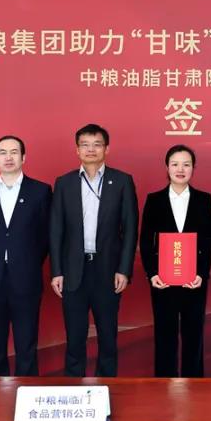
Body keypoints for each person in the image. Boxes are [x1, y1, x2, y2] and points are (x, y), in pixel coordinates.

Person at [50, 124, 138, 377]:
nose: (91, 150)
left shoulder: (121, 181)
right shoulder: (64, 183)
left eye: (97, 144)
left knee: (108, 337)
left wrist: (124, 269)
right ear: (77, 150)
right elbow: (56, 230)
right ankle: (73, 389)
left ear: (106, 149)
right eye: (85, 145)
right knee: (74, 338)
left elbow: (130, 229)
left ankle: (108, 387)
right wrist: (57, 271)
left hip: (108, 270)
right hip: (73, 271)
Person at [0, 135, 52, 377]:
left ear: (23, 157)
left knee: (26, 346)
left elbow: (45, 236)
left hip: (26, 278)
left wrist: (26, 261)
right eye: (3, 152)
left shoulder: (40, 191)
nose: (9, 157)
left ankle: (26, 392)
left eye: (14, 152)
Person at [139, 145, 211, 377]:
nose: (180, 169)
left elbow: (208, 240)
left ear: (193, 168)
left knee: (194, 334)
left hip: (194, 280)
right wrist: (152, 273)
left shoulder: (203, 199)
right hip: (162, 280)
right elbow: (145, 241)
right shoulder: (154, 200)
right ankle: (163, 385)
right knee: (165, 334)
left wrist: (201, 274)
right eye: (175, 164)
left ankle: (194, 385)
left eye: (186, 164)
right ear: (167, 167)